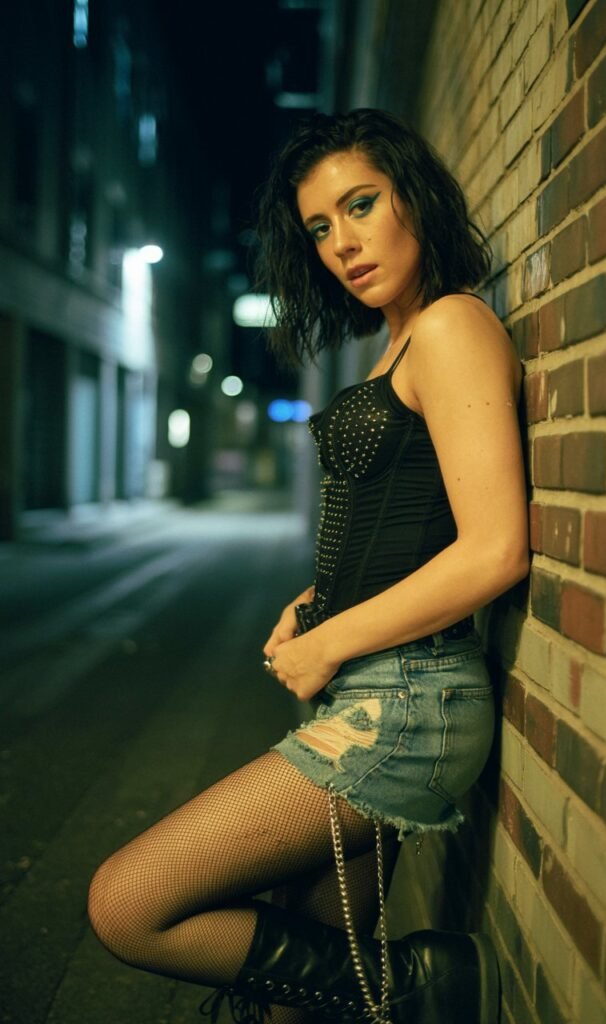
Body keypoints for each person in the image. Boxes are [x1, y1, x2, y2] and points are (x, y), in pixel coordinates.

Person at [88, 109, 529, 1024]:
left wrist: (331, 641)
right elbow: (410, 519)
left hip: (407, 706)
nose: (342, 244)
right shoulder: (401, 338)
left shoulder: (452, 326)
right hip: (378, 693)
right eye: (320, 229)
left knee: (129, 903)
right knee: (302, 997)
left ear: (416, 193)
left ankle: (424, 988)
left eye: (360, 205)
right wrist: (316, 600)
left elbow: (494, 547)